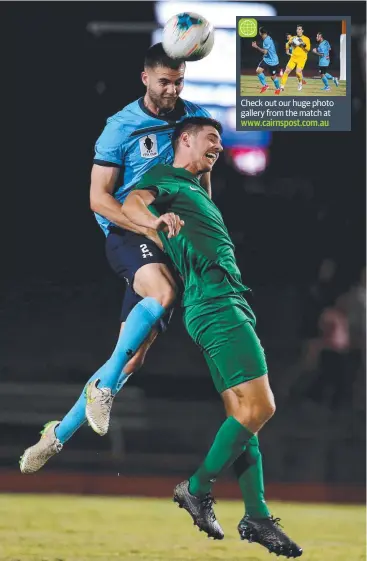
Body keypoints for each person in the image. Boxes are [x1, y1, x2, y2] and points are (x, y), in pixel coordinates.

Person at [19, 43, 210, 473]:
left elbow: (201, 180)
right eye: (164, 81)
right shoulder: (120, 128)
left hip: (171, 243)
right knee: (160, 294)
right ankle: (102, 391)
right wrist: (147, 227)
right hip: (129, 232)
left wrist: (201, 232)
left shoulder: (193, 118)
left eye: (179, 81)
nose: (172, 90)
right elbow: (96, 198)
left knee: (132, 357)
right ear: (145, 78)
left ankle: (55, 435)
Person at [122, 116, 303, 558]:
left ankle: (257, 515)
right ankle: (196, 487)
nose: (219, 146)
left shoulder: (197, 190)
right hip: (216, 304)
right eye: (212, 138)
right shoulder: (165, 178)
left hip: (221, 303)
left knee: (242, 415)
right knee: (262, 406)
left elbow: (200, 170)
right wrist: (153, 220)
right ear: (185, 139)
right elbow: (130, 203)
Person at [251, 27, 281, 95]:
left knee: (273, 77)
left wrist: (256, 47)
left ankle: (278, 88)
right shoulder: (267, 38)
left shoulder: (266, 40)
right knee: (258, 71)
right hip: (266, 59)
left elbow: (265, 52)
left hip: (273, 61)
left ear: (261, 33)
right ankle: (265, 86)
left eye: (259, 31)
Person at [280, 25, 310, 92]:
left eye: (299, 29)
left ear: (302, 31)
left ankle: (300, 82)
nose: (298, 30)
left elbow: (308, 49)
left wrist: (303, 44)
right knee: (286, 71)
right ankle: (282, 86)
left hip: (302, 58)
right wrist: (290, 43)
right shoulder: (293, 38)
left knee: (297, 73)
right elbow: (287, 46)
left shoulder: (306, 39)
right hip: (293, 57)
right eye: (297, 29)